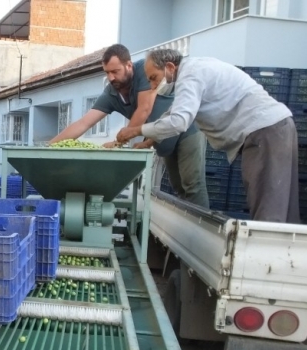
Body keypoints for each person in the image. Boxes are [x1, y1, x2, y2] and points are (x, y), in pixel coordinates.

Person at [117, 49, 299, 222]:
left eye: (154, 78)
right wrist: (148, 142)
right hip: (276, 128)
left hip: (264, 132)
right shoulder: (195, 69)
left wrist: (136, 130)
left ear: (170, 67)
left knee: (268, 210)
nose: (153, 86)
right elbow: (172, 114)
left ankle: (263, 254)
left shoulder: (190, 75)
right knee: (284, 209)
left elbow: (179, 121)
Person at [51, 44, 210, 208]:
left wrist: (118, 142)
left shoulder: (144, 70)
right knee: (178, 187)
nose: (111, 77)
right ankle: (185, 230)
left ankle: (204, 232)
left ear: (129, 65)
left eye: (115, 71)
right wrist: (50, 147)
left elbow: (144, 109)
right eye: (107, 72)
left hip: (187, 129)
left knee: (193, 185)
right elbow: (84, 123)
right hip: (163, 136)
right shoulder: (111, 93)